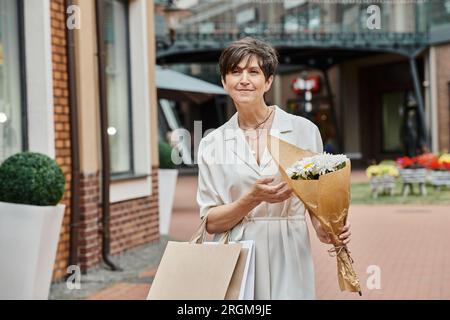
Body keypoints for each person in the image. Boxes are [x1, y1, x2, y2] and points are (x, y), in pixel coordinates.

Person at [196, 37, 351, 300]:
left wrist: (324, 227)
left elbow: (315, 199)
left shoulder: (304, 131)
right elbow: (210, 222)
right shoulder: (212, 142)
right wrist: (252, 198)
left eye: (253, 72)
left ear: (268, 81)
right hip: (238, 253)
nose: (244, 79)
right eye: (235, 72)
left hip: (289, 248)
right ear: (224, 81)